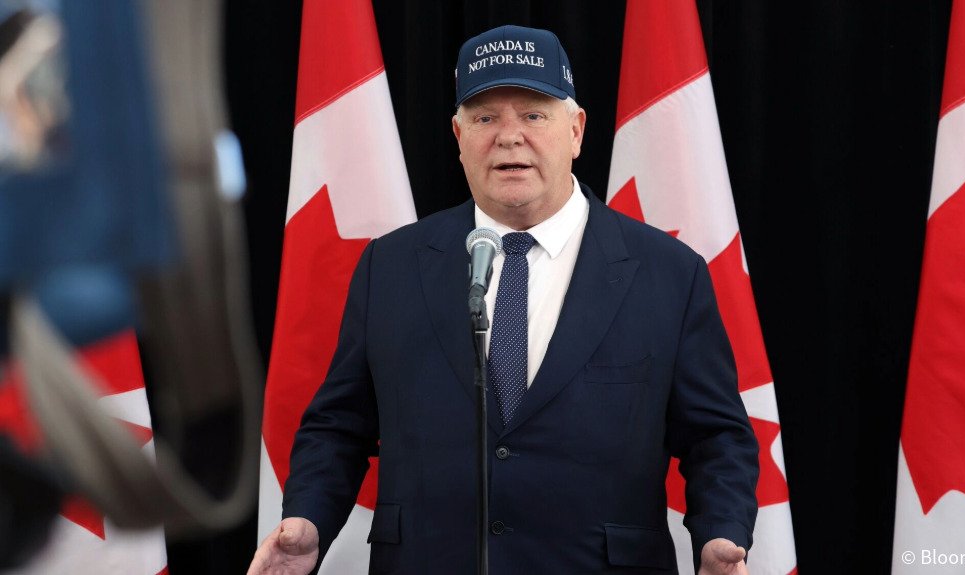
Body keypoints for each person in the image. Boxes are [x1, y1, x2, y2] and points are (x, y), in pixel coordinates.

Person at [249, 24, 758, 575]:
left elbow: (717, 437)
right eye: (486, 117)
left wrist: (719, 532)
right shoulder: (389, 267)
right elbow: (337, 426)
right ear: (458, 136)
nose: (509, 136)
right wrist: (307, 519)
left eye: (535, 115)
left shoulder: (668, 273)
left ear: (576, 131)